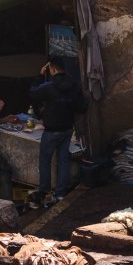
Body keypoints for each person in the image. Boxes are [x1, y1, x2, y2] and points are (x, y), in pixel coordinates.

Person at [27, 57, 88, 209]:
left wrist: (39, 76)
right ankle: (60, 193)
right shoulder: (74, 86)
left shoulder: (49, 86)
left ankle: (45, 191)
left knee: (45, 161)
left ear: (52, 70)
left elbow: (32, 93)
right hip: (67, 129)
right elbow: (82, 107)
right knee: (63, 160)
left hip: (52, 130)